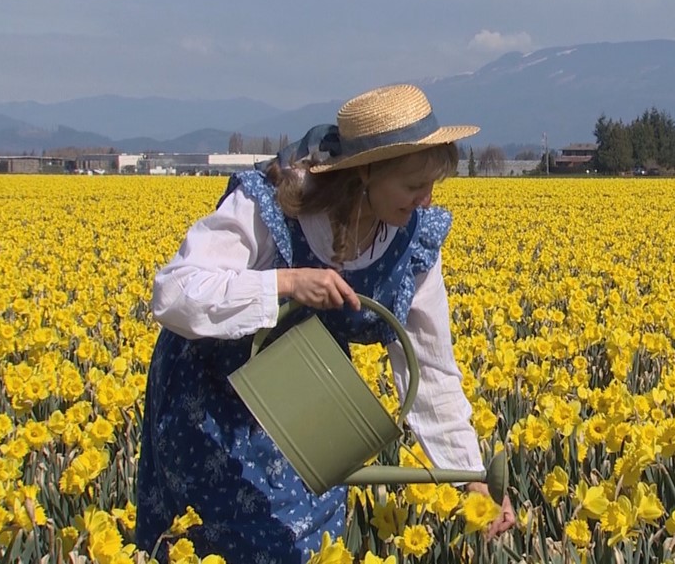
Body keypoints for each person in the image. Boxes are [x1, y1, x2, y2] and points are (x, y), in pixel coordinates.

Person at [135, 83, 516, 563]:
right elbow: (173, 293)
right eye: (413, 185)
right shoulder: (272, 205)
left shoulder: (413, 243)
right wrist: (285, 283)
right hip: (213, 408)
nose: (426, 200)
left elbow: (431, 371)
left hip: (308, 416)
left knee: (310, 546)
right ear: (365, 174)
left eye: (433, 184)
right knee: (207, 546)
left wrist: (469, 477)